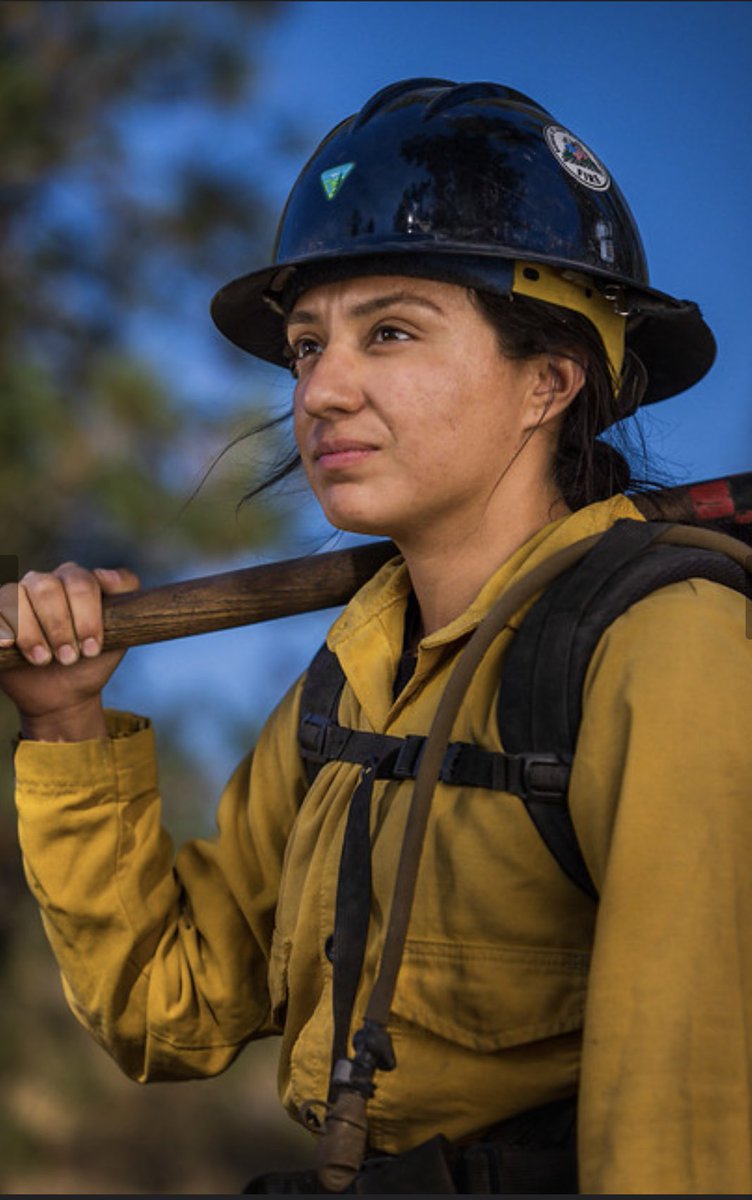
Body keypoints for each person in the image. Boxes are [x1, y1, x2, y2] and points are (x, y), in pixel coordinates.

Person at [2, 77, 751, 1194]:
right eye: (307, 347)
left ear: (548, 380)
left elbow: (683, 1128)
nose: (321, 390)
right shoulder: (354, 676)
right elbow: (167, 1010)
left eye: (388, 332)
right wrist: (64, 720)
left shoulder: (664, 646)